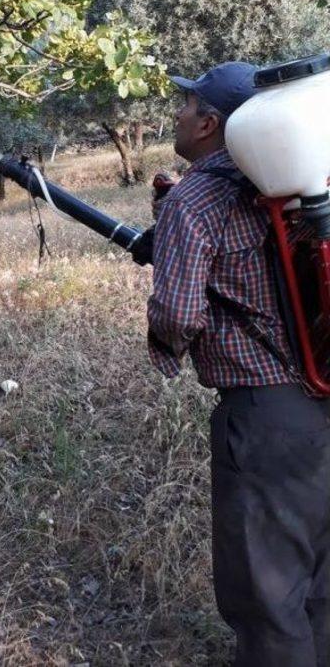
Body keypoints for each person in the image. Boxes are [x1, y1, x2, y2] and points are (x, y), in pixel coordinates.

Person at [147, 61, 330, 667]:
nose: (176, 112)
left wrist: (164, 345)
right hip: (323, 391)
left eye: (187, 104)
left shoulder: (194, 203)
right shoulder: (305, 185)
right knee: (321, 582)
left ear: (210, 124)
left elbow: (177, 314)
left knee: (268, 597)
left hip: (264, 416)